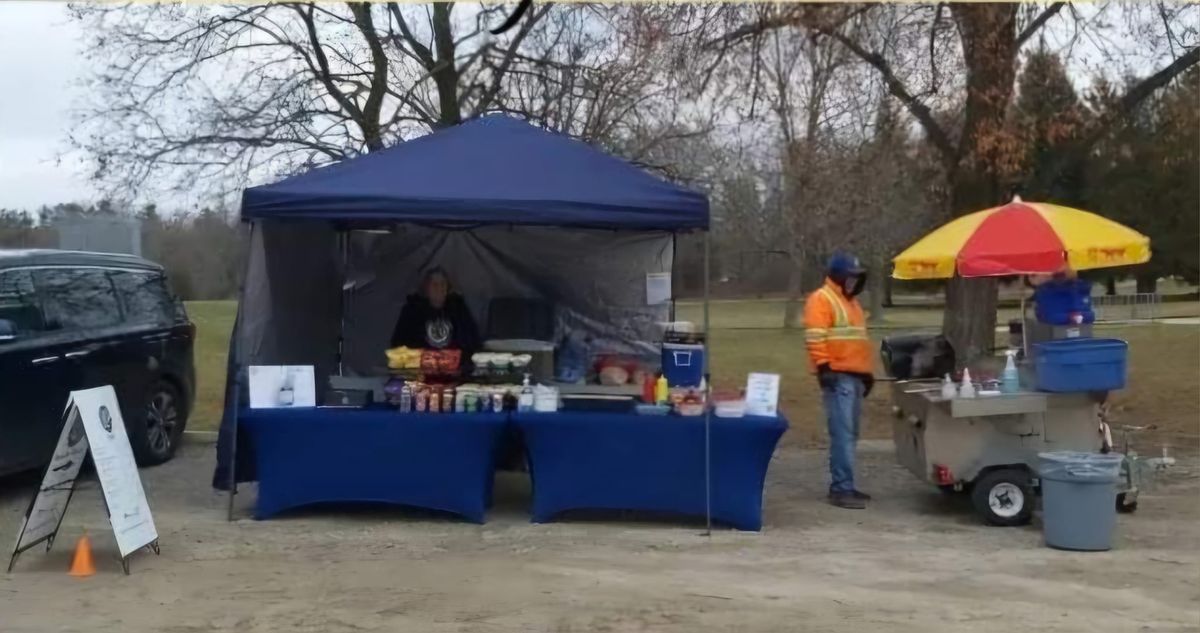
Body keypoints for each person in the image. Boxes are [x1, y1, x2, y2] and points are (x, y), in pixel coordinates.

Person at [804, 252, 875, 510]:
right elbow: (815, 337)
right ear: (838, 276)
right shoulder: (821, 299)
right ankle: (841, 488)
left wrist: (866, 374)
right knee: (843, 434)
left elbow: (856, 343)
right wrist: (824, 367)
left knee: (851, 433)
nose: (854, 282)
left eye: (857, 278)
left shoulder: (852, 304)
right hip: (838, 376)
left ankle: (845, 484)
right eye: (850, 277)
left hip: (853, 376)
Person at [390, 267, 481, 353]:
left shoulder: (459, 310)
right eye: (434, 284)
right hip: (419, 366)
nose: (439, 288)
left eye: (443, 284)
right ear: (426, 288)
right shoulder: (411, 311)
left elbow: (472, 342)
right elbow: (398, 345)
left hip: (454, 366)